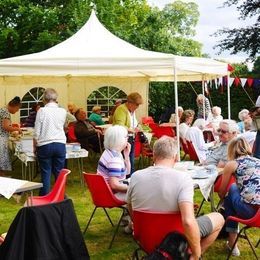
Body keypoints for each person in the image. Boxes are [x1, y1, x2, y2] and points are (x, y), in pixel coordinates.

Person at [127, 136, 224, 260]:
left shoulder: (136, 177)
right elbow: (188, 222)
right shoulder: (182, 179)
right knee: (219, 217)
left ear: (154, 155)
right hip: (175, 240)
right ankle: (191, 256)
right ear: (175, 156)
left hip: (145, 237)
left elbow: (130, 207)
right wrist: (196, 253)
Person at [218, 137, 260, 257]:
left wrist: (223, 199)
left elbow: (221, 192)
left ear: (231, 150)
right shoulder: (258, 161)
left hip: (251, 213)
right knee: (234, 193)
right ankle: (232, 243)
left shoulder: (232, 164)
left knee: (231, 190)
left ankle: (232, 244)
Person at [34, 88, 67, 196]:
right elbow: (62, 126)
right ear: (56, 98)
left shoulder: (42, 111)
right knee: (59, 172)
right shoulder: (62, 111)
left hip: (45, 144)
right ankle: (60, 195)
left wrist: (34, 145)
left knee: (46, 172)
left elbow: (37, 131)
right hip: (60, 144)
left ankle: (45, 195)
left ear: (44, 99)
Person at [97, 125, 131, 201]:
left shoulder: (110, 152)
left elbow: (127, 173)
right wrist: (132, 189)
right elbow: (114, 185)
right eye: (126, 137)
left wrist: (126, 156)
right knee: (140, 195)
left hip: (105, 191)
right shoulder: (115, 159)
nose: (128, 139)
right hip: (111, 194)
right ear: (119, 140)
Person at [113, 92, 143, 176]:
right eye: (136, 104)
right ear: (130, 103)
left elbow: (133, 123)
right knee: (125, 160)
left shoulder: (131, 111)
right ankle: (124, 179)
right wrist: (132, 130)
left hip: (130, 138)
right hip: (122, 139)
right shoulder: (121, 109)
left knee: (130, 160)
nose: (137, 107)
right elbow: (120, 125)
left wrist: (138, 126)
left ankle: (130, 179)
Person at [0, 96, 21, 176]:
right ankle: (3, 181)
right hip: (1, 140)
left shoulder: (2, 110)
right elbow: (6, 127)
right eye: (17, 109)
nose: (17, 111)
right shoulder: (5, 112)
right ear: (14, 106)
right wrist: (17, 129)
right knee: (1, 165)